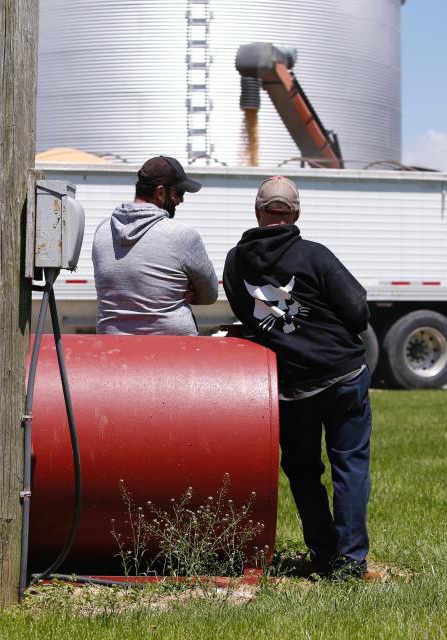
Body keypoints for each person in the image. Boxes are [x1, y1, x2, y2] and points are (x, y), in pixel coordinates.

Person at [222, 175, 375, 580]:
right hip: (343, 374)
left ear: (257, 212)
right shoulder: (314, 255)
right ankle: (350, 563)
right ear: (295, 214)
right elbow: (358, 312)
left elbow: (248, 315)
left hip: (290, 387)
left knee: (304, 472)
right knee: (350, 468)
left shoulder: (236, 262)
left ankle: (323, 556)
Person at [92, 155, 218, 335]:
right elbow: (210, 294)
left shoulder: (103, 231)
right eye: (179, 193)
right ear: (160, 192)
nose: (181, 200)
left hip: (113, 346)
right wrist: (185, 290)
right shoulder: (183, 235)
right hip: (174, 351)